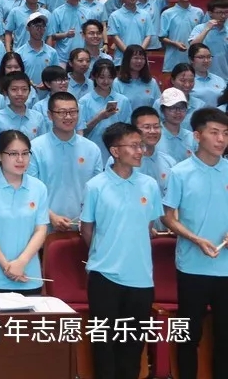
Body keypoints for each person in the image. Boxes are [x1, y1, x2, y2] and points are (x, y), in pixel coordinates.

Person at [81, 122, 162, 379]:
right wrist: (106, 253)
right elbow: (87, 230)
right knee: (104, 345)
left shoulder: (149, 185)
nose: (140, 151)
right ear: (115, 151)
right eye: (134, 146)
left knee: (133, 346)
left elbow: (148, 226)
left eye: (141, 145)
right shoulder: (96, 186)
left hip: (141, 278)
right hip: (104, 276)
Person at [162, 107, 228, 379]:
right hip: (192, 268)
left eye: (225, 133)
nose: (221, 139)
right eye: (215, 133)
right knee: (189, 335)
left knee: (225, 337)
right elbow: (168, 217)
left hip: (226, 269)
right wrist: (195, 238)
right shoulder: (180, 172)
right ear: (198, 136)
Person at [0, 130, 49, 295]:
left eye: (25, 153)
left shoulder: (39, 188)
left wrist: (21, 262)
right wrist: (7, 266)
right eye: (13, 154)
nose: (20, 159)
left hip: (28, 275)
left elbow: (41, 230)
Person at [29, 92, 103, 232]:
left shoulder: (92, 149)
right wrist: (51, 216)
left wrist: (87, 218)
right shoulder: (35, 148)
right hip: (43, 227)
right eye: (62, 112)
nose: (68, 117)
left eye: (73, 112)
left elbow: (98, 191)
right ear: (50, 115)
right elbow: (30, 190)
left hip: (83, 227)